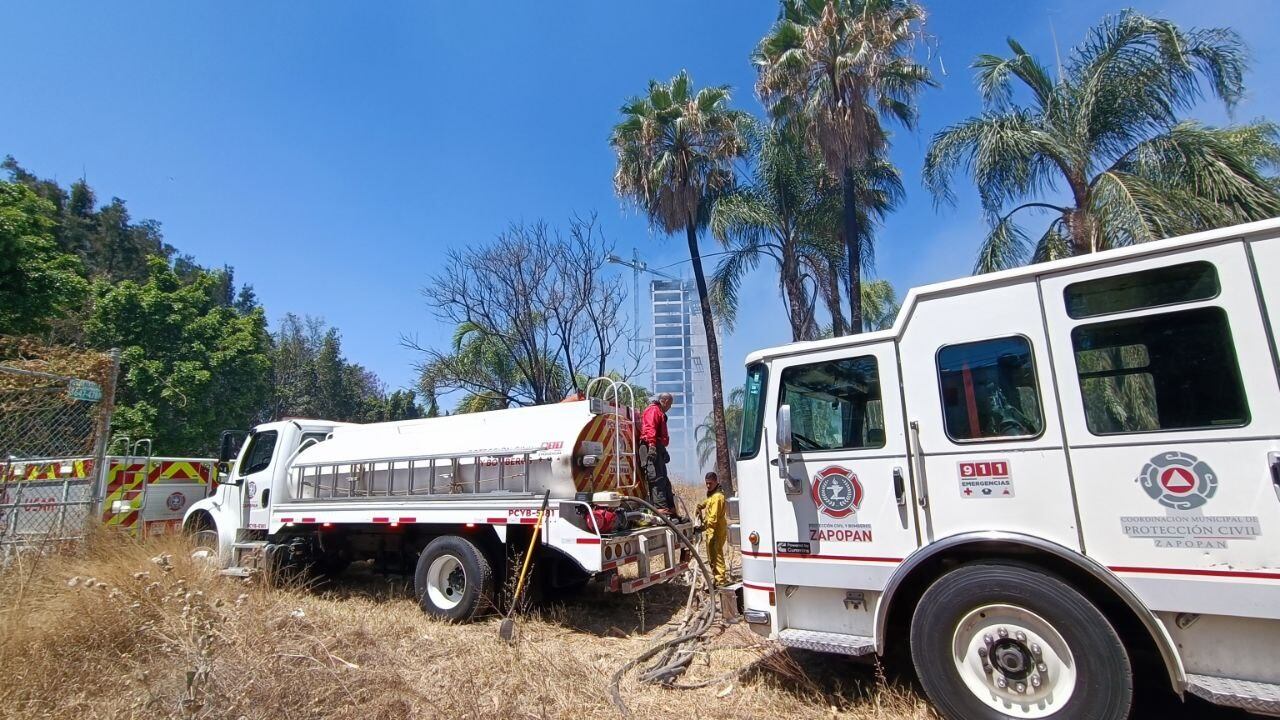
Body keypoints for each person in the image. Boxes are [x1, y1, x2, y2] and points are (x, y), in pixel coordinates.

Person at [640, 392, 677, 515]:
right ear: (665, 401)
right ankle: (661, 510)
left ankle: (669, 508)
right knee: (656, 479)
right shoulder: (653, 411)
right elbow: (650, 428)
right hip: (651, 446)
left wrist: (663, 450)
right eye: (670, 404)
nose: (670, 407)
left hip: (657, 446)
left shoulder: (658, 412)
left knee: (664, 481)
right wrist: (652, 446)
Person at [696, 471, 729, 587]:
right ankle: (716, 578)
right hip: (711, 531)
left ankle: (721, 581)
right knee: (712, 556)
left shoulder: (718, 497)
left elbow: (713, 519)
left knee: (717, 556)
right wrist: (700, 506)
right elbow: (708, 502)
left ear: (716, 482)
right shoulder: (713, 495)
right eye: (706, 483)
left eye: (710, 483)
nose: (708, 486)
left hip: (716, 531)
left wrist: (702, 527)